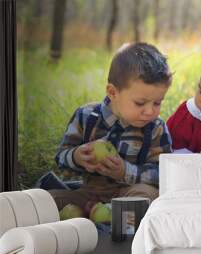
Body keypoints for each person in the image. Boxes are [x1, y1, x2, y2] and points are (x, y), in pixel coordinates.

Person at [48, 42, 172, 214]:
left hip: (128, 194)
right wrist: (76, 157)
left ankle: (108, 219)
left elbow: (163, 173)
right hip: (89, 193)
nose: (150, 111)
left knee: (150, 198)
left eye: (157, 103)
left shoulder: (156, 128)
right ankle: (98, 216)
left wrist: (125, 171)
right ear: (113, 92)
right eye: (140, 103)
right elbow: (61, 157)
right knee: (45, 199)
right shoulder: (87, 116)